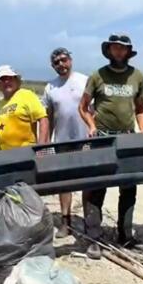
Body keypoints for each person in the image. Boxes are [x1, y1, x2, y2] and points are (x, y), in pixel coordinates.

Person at [78, 33, 143, 259]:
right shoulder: (98, 75)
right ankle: (94, 238)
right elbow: (83, 106)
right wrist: (90, 124)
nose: (118, 52)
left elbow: (140, 108)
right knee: (97, 188)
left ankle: (125, 236)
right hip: (102, 138)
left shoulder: (137, 76)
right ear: (109, 51)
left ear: (128, 51)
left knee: (128, 189)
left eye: (123, 48)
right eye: (115, 48)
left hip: (128, 137)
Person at [42, 48, 88, 238]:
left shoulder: (84, 81)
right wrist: (44, 144)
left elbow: (93, 109)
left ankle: (89, 222)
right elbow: (48, 118)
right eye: (56, 62)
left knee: (88, 183)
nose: (61, 64)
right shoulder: (50, 87)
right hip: (61, 141)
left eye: (63, 60)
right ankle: (65, 222)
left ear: (70, 60)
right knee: (64, 184)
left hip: (85, 139)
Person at [0, 65, 49, 151]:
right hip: (4, 155)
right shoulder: (1, 104)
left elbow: (43, 120)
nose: (6, 81)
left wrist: (41, 148)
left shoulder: (26, 95)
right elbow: (1, 130)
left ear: (16, 80)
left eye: (10, 78)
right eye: (3, 79)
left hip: (26, 153)